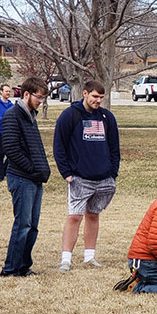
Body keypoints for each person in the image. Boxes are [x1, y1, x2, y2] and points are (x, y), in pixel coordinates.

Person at [53, 80, 120, 273]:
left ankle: (89, 256)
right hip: (79, 178)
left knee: (93, 215)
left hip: (103, 177)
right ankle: (66, 259)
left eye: (101, 97)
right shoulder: (70, 115)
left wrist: (112, 172)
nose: (98, 100)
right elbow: (59, 146)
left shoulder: (107, 117)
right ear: (84, 93)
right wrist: (66, 173)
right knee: (74, 216)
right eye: (94, 96)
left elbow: (114, 148)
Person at [0, 77, 50, 277]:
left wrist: (42, 170)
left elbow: (34, 148)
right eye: (38, 97)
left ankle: (23, 266)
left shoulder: (31, 116)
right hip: (21, 178)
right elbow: (11, 148)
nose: (41, 101)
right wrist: (31, 169)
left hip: (35, 179)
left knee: (33, 226)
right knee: (23, 225)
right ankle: (11, 268)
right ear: (26, 94)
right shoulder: (13, 116)